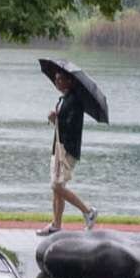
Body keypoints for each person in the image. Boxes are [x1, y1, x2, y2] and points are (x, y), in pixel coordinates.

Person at [40, 71, 98, 235]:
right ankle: (56, 225)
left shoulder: (74, 101)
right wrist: (56, 119)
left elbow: (71, 127)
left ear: (70, 81)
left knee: (56, 185)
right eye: (56, 79)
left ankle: (88, 210)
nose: (57, 82)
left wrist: (55, 120)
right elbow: (63, 124)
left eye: (60, 79)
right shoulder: (64, 99)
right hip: (58, 148)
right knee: (57, 188)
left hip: (67, 149)